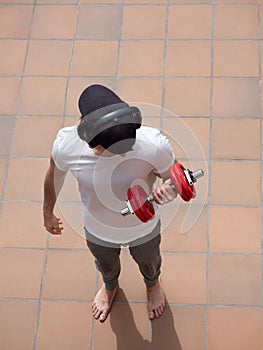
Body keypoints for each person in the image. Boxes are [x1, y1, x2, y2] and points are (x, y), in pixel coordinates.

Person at [43, 85, 177, 322]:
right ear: (88, 137)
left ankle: (152, 284)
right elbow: (54, 174)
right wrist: (47, 213)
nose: (121, 154)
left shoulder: (152, 143)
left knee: (149, 260)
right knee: (106, 264)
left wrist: (169, 191)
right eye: (110, 149)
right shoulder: (66, 145)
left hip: (144, 227)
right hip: (97, 228)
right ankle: (109, 287)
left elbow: (176, 178)